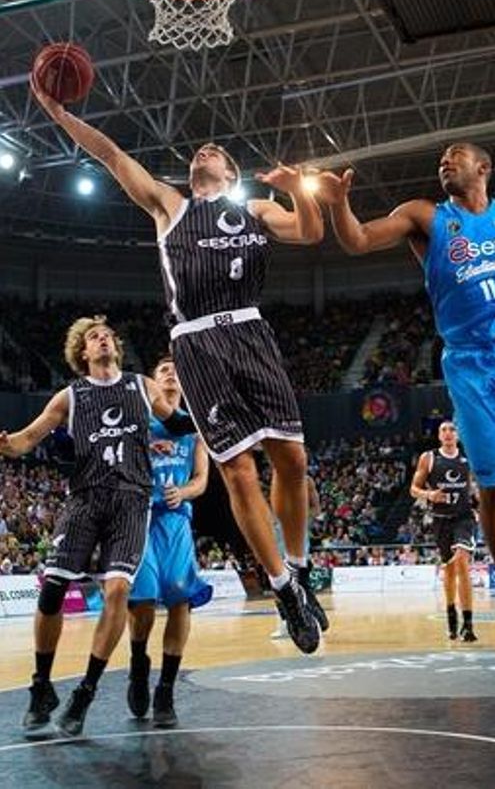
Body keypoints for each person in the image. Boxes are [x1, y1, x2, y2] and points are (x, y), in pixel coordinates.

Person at [31, 78, 327, 655]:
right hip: (197, 342)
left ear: (231, 174)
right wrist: (58, 113)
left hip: (250, 332)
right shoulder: (171, 206)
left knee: (293, 460)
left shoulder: (254, 209)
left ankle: (298, 569)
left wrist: (300, 192)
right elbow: (112, 155)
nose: (203, 151)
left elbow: (311, 231)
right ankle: (281, 588)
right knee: (238, 471)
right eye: (198, 151)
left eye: (215, 151)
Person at [0, 316, 193, 737]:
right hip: (85, 500)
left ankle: (85, 691)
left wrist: (212, 408)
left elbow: (178, 423)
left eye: (107, 335)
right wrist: (6, 444)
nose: (103, 339)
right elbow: (26, 439)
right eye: (93, 337)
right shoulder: (69, 396)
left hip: (131, 502)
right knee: (52, 590)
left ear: (115, 348)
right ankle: (41, 686)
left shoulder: (141, 386)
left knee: (119, 591)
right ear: (82, 353)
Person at [318, 142, 495, 564]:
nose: (445, 161)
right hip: (468, 363)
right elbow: (358, 240)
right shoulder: (427, 216)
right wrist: (339, 203)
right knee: (490, 483)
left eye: (456, 154)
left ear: (483, 167)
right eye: (441, 159)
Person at [127, 356, 212, 728]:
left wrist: (185, 492)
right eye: (163, 370)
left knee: (180, 599)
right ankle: (138, 661)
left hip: (176, 520)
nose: (171, 373)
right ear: (152, 383)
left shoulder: (193, 428)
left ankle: (165, 689)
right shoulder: (138, 423)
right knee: (142, 600)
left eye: (177, 369)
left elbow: (201, 480)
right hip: (139, 517)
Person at [410, 420, 477, 642]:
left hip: (464, 518)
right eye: (443, 430)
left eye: (452, 429)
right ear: (439, 436)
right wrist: (429, 495)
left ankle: (468, 624)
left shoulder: (468, 457)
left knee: (462, 561)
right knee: (449, 570)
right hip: (440, 521)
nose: (448, 433)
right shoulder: (429, 458)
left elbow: (476, 485)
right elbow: (413, 489)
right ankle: (451, 617)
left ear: (458, 434)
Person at [271, 475, 329, 639]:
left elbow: (316, 510)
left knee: (298, 584)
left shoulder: (306, 481)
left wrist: (299, 515)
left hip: (297, 542)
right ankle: (287, 623)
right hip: (278, 539)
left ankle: (314, 621)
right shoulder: (274, 481)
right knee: (280, 585)